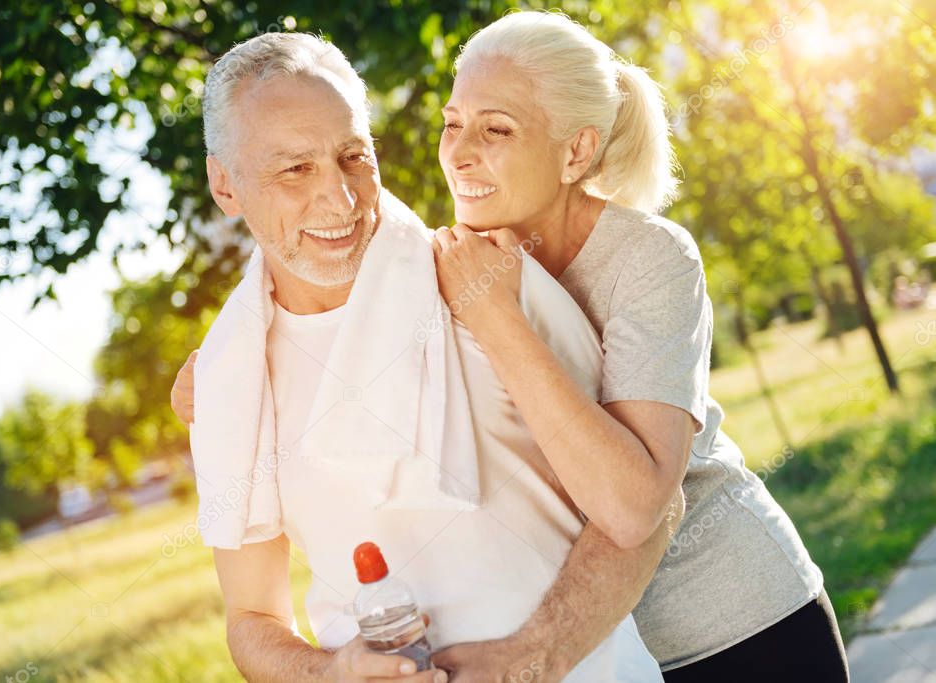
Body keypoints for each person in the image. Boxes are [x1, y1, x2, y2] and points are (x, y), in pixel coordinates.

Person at [183, 30, 666, 682]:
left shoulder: (493, 284)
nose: (341, 198)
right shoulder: (227, 380)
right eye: (295, 168)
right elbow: (250, 618)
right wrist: (328, 672)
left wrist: (532, 657)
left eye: (353, 156)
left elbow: (640, 511)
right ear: (226, 185)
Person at [428, 11, 849, 681]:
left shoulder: (650, 257)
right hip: (610, 660)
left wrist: (494, 316)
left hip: (738, 630)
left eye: (496, 128)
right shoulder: (455, 260)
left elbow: (633, 504)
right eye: (452, 122)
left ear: (575, 151)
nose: (459, 150)